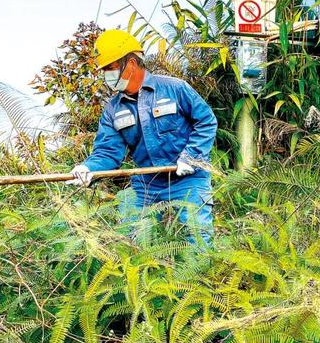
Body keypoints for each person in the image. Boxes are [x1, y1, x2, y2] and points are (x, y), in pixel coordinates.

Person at [66, 29, 218, 244]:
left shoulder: (175, 89)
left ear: (130, 63)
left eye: (110, 68)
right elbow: (108, 151)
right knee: (133, 242)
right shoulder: (113, 110)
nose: (106, 75)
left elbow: (206, 121)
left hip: (189, 180)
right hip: (146, 184)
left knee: (197, 240)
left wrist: (191, 156)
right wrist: (89, 168)